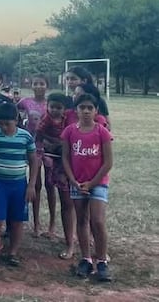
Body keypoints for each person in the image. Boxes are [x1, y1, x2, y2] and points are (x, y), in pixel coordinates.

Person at [61, 93, 113, 282]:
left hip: (98, 183)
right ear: (76, 110)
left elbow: (108, 162)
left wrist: (92, 183)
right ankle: (86, 259)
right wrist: (73, 180)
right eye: (82, 107)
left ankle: (101, 261)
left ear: (96, 111)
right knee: (81, 220)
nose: (85, 111)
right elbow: (65, 158)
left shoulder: (102, 132)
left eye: (90, 108)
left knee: (97, 221)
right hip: (77, 182)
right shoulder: (69, 131)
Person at [0, 103, 38, 268]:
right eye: (1, 124)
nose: (4, 127)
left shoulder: (25, 137)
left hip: (19, 183)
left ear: (16, 120)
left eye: (8, 124)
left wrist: (31, 184)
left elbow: (33, 160)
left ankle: (13, 252)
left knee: (17, 219)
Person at [36, 93, 74, 259]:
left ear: (65, 109)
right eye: (52, 107)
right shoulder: (46, 119)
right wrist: (47, 146)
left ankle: (70, 238)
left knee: (67, 200)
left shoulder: (67, 120)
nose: (55, 110)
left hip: (65, 158)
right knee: (49, 185)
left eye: (59, 108)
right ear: (47, 106)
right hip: (50, 155)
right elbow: (39, 134)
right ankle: (53, 227)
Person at [17, 74, 51, 237]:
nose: (38, 86)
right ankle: (36, 223)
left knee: (51, 185)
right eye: (35, 83)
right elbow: (15, 114)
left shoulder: (51, 103)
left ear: (47, 86)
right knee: (35, 184)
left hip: (50, 147)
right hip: (32, 147)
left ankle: (51, 226)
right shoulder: (25, 102)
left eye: (41, 83)